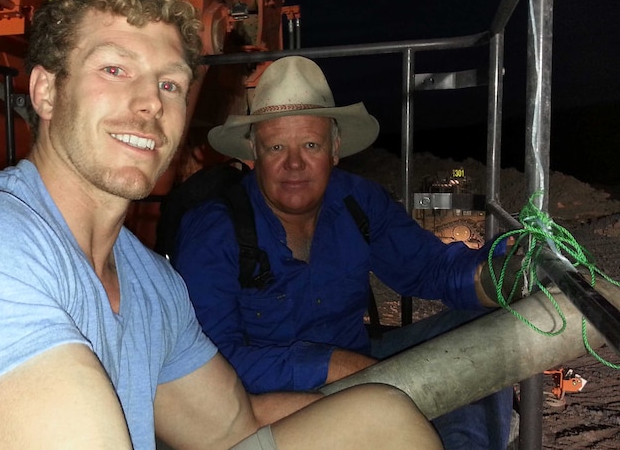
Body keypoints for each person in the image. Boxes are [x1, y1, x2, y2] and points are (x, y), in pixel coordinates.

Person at [0, 0, 441, 450]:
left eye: (170, 82)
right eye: (115, 69)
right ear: (45, 89)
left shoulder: (149, 283)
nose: (150, 103)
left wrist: (402, 400)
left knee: (381, 419)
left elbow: (234, 427)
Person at [171, 55, 518, 450]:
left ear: (335, 149)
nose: (295, 163)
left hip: (361, 366)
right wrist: (338, 366)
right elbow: (211, 366)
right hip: (265, 404)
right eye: (277, 147)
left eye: (311, 144)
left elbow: (430, 268)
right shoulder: (212, 230)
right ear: (253, 154)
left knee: (486, 337)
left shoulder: (358, 201)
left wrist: (494, 274)